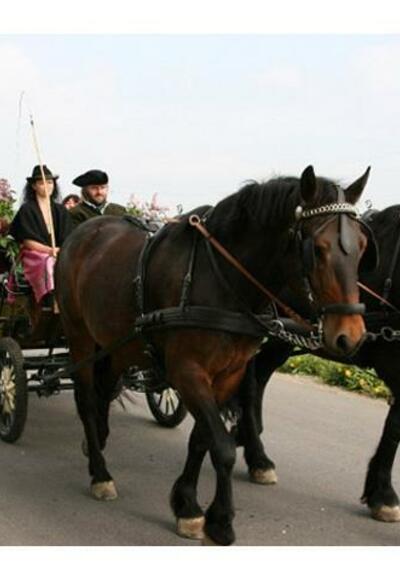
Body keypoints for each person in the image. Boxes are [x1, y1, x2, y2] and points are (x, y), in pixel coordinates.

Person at [9, 164, 73, 308]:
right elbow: (27, 240)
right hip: (34, 254)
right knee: (48, 261)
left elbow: (68, 236)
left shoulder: (60, 210)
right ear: (34, 186)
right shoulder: (27, 209)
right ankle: (49, 297)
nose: (47, 186)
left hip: (59, 251)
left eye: (50, 182)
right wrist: (49, 250)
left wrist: (60, 250)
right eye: (42, 183)